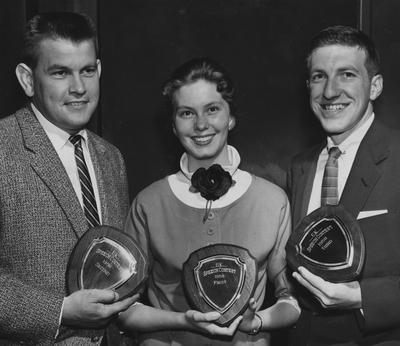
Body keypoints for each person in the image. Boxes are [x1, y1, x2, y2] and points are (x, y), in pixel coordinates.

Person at [118, 57, 300, 345]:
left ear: (231, 117)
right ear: (173, 125)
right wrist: (182, 320)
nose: (201, 124)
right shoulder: (149, 203)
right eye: (187, 113)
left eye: (212, 110)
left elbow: (291, 300)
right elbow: (123, 308)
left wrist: (259, 321)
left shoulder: (272, 200)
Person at [0, 12, 137, 345]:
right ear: (28, 80)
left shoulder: (111, 158)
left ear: (99, 70)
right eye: (60, 72)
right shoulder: (4, 149)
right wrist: (59, 311)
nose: (79, 87)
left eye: (87, 71)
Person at [288, 25, 400, 344]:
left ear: (375, 86)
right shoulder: (299, 167)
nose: (330, 92)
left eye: (347, 74)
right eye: (319, 76)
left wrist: (360, 296)